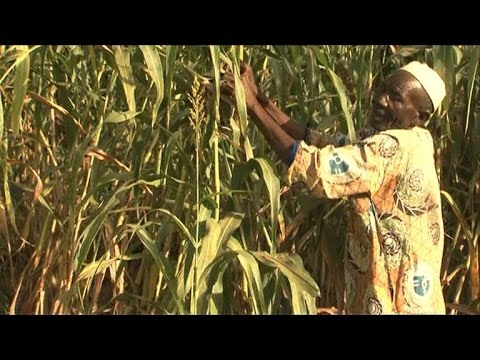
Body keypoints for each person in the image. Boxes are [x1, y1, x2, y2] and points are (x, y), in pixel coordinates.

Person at [219, 60, 447, 314]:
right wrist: (261, 100)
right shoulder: (413, 139)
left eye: (395, 97)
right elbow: (319, 142)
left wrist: (249, 107)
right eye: (382, 90)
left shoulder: (394, 147)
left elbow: (315, 166)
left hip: (398, 305)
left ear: (420, 117)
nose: (380, 100)